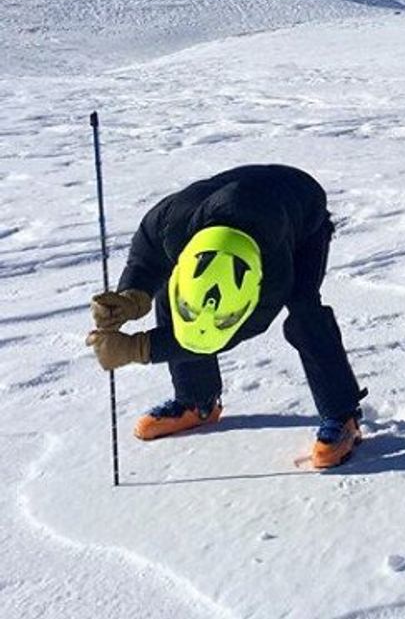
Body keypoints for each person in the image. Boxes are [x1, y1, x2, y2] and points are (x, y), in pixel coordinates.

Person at [85, 164, 364, 469]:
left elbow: (220, 334)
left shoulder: (273, 279)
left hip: (302, 213)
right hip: (238, 201)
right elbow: (145, 256)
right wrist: (131, 297)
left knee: (305, 314)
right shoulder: (169, 222)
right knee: (173, 296)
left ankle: (343, 415)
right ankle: (196, 401)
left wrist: (137, 348)